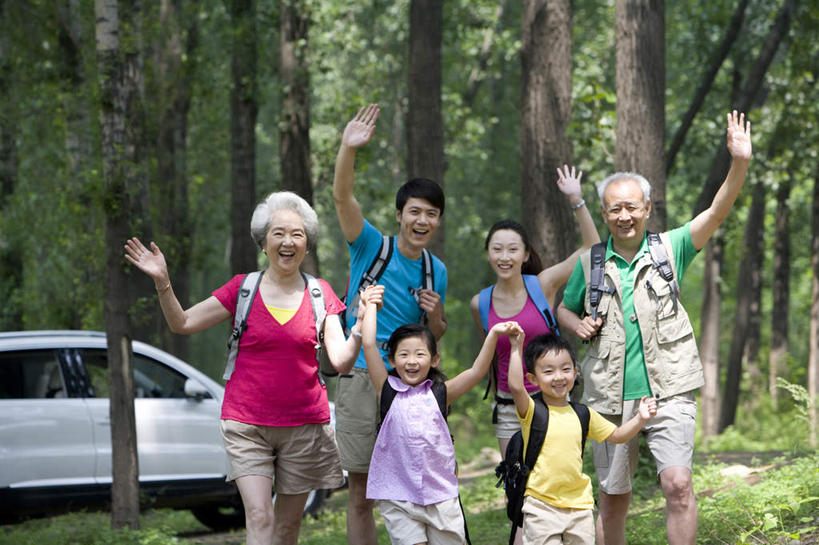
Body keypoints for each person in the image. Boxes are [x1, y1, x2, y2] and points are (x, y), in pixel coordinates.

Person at [124, 191, 365, 545]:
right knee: (258, 515)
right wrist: (163, 281)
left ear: (307, 245)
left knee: (287, 529)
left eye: (297, 234)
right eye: (278, 233)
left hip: (304, 425)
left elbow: (342, 360)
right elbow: (183, 323)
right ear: (263, 242)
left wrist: (359, 327)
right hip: (246, 422)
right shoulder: (243, 289)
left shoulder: (319, 294)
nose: (288, 241)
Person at [556, 111, 752, 545]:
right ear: (604, 213)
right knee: (613, 495)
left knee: (678, 484)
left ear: (647, 208)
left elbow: (717, 212)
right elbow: (561, 311)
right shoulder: (589, 262)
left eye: (632, 207)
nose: (624, 216)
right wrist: (578, 323)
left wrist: (739, 162)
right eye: (615, 208)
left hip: (670, 388)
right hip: (608, 395)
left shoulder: (671, 248)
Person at [333, 103, 448, 544]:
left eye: (431, 214)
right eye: (415, 212)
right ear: (400, 214)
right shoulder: (370, 247)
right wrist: (349, 148)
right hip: (364, 377)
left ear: (438, 221)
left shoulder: (435, 270)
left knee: (413, 484)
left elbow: (434, 334)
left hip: (409, 385)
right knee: (361, 491)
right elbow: (343, 198)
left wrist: (435, 315)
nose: (422, 221)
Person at [359, 284, 523, 545]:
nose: (411, 361)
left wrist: (492, 334)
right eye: (403, 355)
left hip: (440, 494)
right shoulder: (387, 390)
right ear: (392, 361)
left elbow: (476, 372)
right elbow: (368, 344)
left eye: (419, 354)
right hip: (398, 495)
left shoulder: (440, 392)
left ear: (434, 359)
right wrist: (369, 307)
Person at [469, 165, 600, 460]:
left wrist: (576, 200)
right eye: (497, 249)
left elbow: (592, 248)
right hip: (507, 406)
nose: (505, 257)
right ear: (488, 253)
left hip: (551, 399)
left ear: (526, 255)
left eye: (513, 250)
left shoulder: (543, 285)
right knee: (515, 488)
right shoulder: (480, 303)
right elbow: (490, 357)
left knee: (556, 477)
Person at [507, 333, 657, 545]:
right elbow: (515, 386)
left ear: (576, 372)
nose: (559, 377)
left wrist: (640, 418)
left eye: (566, 369)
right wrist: (516, 347)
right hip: (541, 504)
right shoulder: (532, 411)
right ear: (533, 378)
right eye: (548, 371)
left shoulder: (583, 414)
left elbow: (617, 435)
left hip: (579, 506)